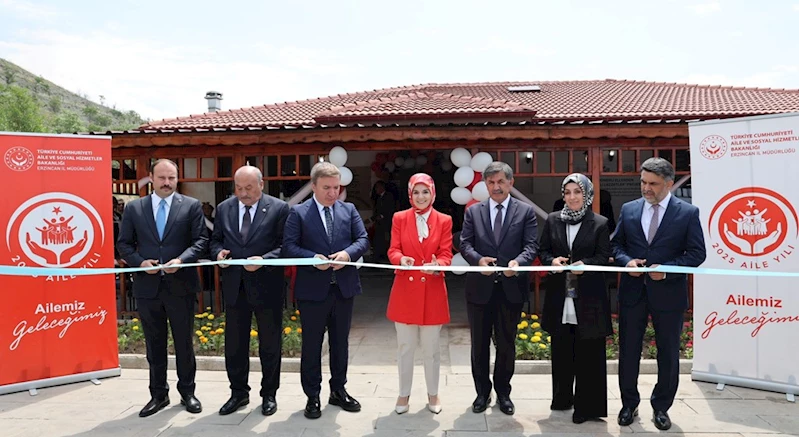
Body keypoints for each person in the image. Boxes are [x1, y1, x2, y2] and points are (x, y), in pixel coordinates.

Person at [611, 157, 706, 431]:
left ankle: (661, 407)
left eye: (652, 183)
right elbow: (616, 245)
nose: (646, 188)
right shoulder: (629, 210)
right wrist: (627, 261)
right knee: (628, 351)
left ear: (668, 183)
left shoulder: (687, 213)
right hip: (632, 294)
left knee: (668, 354)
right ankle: (629, 404)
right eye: (643, 182)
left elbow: (697, 254)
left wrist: (666, 270)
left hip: (669, 296)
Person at [117, 159, 208, 418]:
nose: (167, 183)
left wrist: (181, 261)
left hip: (181, 285)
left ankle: (187, 392)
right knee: (154, 345)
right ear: (151, 179)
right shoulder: (135, 208)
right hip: (148, 288)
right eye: (162, 178)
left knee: (184, 344)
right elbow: (124, 244)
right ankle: (158, 395)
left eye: (172, 178)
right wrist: (139, 263)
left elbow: (201, 240)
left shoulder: (190, 206)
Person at [282, 161, 370, 419]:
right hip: (312, 291)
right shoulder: (298, 213)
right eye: (327, 187)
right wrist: (313, 258)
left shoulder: (349, 209)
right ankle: (312, 396)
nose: (333, 192)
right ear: (314, 186)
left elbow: (362, 240)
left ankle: (338, 390)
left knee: (340, 344)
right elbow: (289, 247)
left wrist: (347, 254)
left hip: (343, 289)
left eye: (336, 187)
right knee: (311, 345)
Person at [459, 161, 538, 416]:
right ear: (485, 184)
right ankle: (482, 393)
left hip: (511, 288)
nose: (496, 187)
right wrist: (477, 260)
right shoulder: (473, 212)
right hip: (479, 288)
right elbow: (465, 243)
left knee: (506, 344)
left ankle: (504, 393)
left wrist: (519, 262)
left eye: (501, 182)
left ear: (510, 183)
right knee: (479, 345)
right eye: (491, 182)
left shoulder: (525, 212)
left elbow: (531, 245)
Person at [210, 166, 290, 417]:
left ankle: (269, 394)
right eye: (239, 188)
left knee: (270, 343)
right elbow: (215, 240)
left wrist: (264, 259)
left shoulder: (279, 209)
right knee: (234, 344)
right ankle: (238, 393)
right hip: (235, 287)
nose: (243, 194)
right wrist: (218, 254)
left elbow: (286, 246)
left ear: (261, 184)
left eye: (249, 188)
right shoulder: (224, 209)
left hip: (267, 286)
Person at [539, 173, 612, 424]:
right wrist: (552, 261)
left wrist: (587, 265)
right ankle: (562, 399)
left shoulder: (600, 223)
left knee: (588, 353)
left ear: (587, 194)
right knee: (561, 349)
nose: (572, 197)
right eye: (568, 192)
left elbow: (604, 256)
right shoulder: (552, 220)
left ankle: (587, 407)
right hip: (561, 297)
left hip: (589, 299)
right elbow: (543, 249)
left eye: (577, 192)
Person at [386, 173, 453, 415]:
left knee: (431, 349)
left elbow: (447, 254)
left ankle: (433, 393)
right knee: (405, 347)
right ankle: (403, 394)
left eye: (425, 191)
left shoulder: (444, 220)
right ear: (410, 194)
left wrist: (439, 265)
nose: (421, 196)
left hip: (432, 292)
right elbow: (393, 249)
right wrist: (400, 259)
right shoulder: (399, 218)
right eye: (416, 192)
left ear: (433, 193)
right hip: (405, 291)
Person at [371, 180, 395, 262]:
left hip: (387, 223)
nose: (376, 190)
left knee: (387, 239)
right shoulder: (378, 198)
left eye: (377, 188)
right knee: (379, 240)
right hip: (379, 224)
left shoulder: (389, 196)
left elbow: (390, 209)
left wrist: (381, 216)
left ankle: (387, 257)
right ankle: (379, 256)